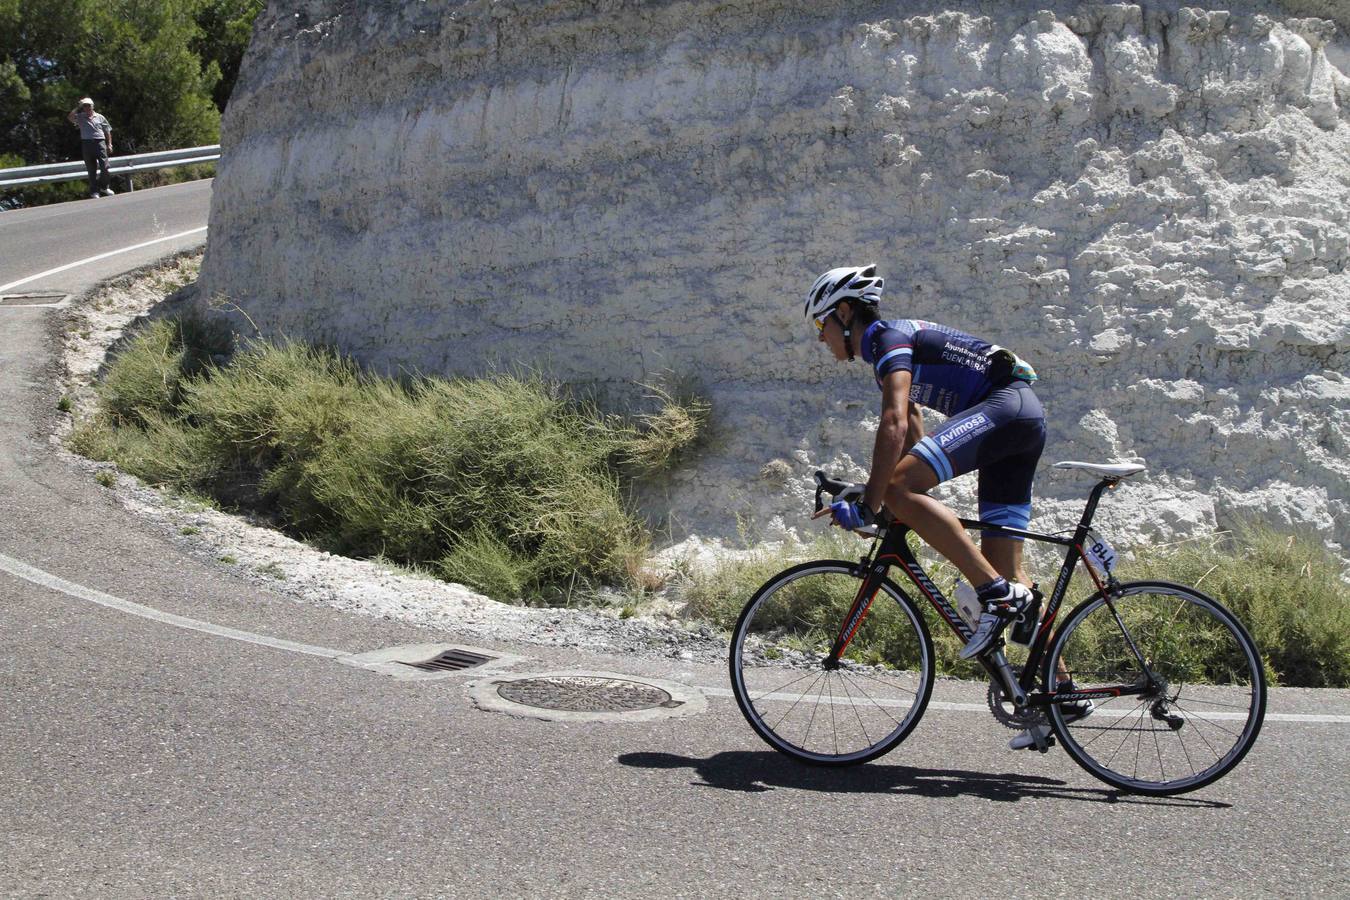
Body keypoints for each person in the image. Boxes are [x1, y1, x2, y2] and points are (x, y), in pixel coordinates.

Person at [804, 264, 1089, 749]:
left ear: (845, 313)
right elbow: (912, 428)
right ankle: (1060, 690)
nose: (821, 339)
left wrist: (878, 501)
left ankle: (996, 597)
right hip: (1018, 424)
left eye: (821, 326)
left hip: (1006, 410)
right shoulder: (890, 347)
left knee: (906, 499)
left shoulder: (884, 339)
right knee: (1006, 571)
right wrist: (896, 500)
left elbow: (893, 425)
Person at [67, 98, 114, 199]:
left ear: (92, 106)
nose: (87, 108)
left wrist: (109, 144)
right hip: (87, 143)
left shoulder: (100, 117)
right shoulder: (80, 117)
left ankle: (104, 186)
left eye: (88, 105)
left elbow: (107, 130)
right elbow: (70, 117)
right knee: (91, 169)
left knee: (105, 167)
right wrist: (77, 107)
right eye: (84, 106)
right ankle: (94, 191)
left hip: (100, 142)